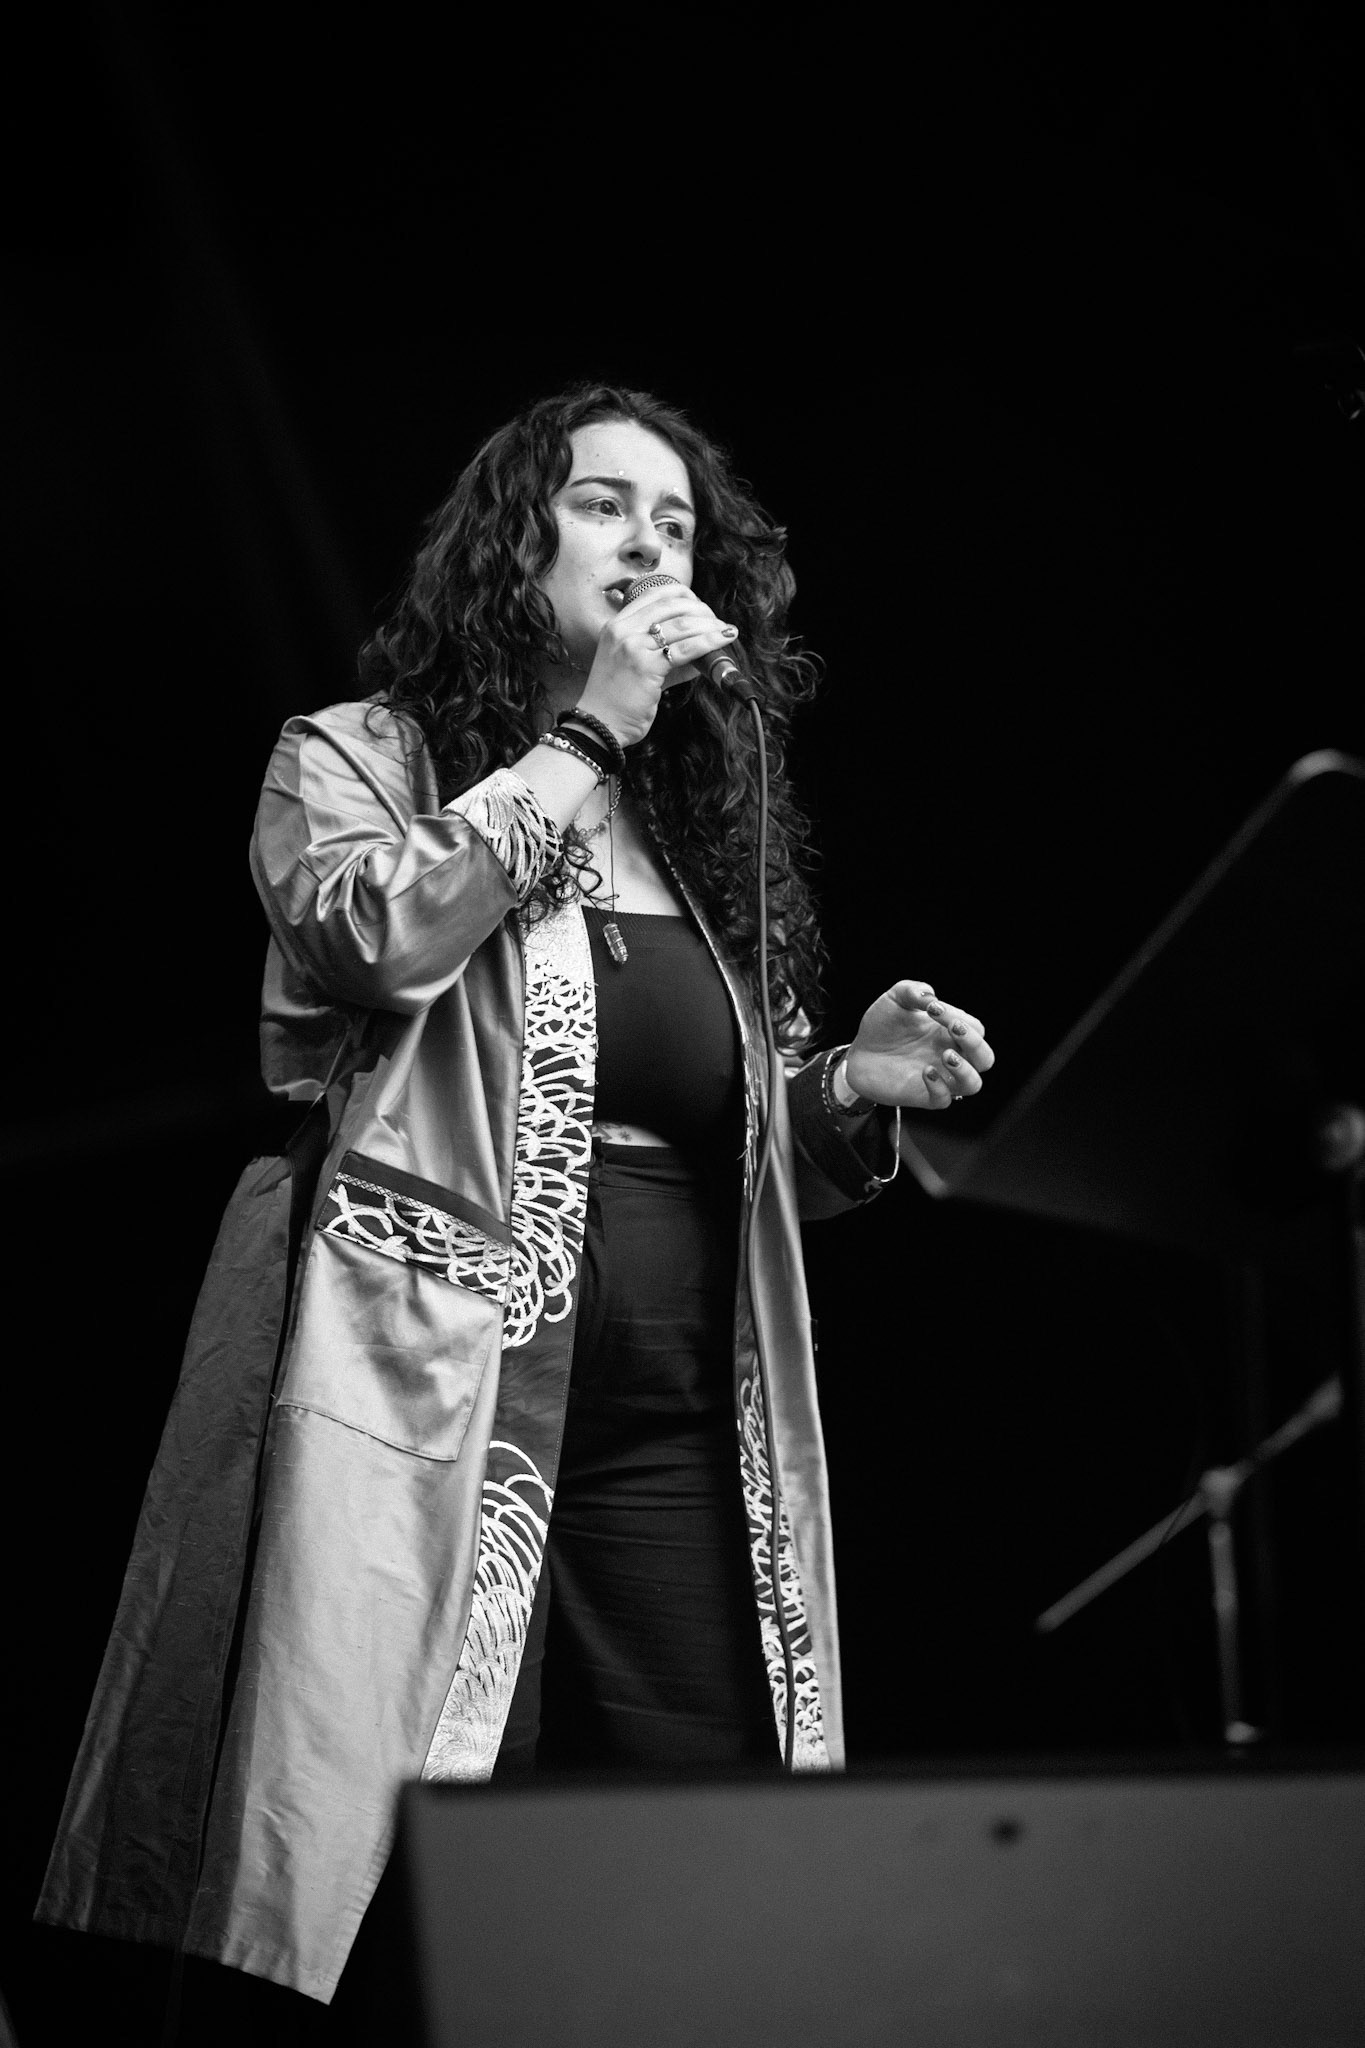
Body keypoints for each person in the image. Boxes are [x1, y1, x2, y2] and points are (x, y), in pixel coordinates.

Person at [36, 383, 993, 2012]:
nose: (647, 542)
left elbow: (733, 1148)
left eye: (676, 523)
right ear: (513, 541)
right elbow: (373, 938)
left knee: (700, 1809)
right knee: (416, 1809)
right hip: (441, 1380)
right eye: (607, 506)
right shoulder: (358, 754)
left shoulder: (695, 823)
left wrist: (844, 1092)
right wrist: (585, 730)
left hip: (682, 1406)